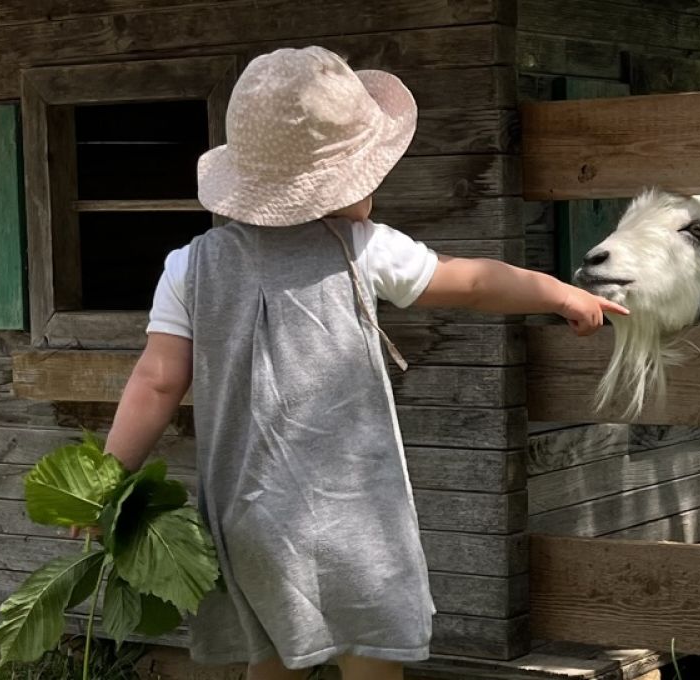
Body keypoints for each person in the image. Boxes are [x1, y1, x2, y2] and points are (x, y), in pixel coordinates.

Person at [95, 46, 626, 680]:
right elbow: (478, 283)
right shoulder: (361, 249)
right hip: (355, 516)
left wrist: (103, 484)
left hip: (249, 513)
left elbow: (157, 381)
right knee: (370, 656)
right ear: (344, 182)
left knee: (271, 659)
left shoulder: (189, 266)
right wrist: (561, 292)